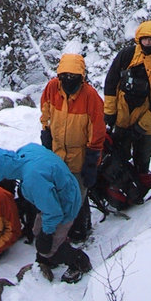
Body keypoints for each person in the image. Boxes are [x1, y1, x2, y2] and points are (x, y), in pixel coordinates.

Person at [0, 143, 92, 283]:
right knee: (37, 231)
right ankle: (48, 255)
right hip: (65, 191)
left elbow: (54, 213)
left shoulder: (32, 178)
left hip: (66, 205)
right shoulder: (26, 150)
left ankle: (79, 261)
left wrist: (47, 235)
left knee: (48, 247)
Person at [40, 53, 105, 241]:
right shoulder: (52, 88)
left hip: (79, 156)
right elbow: (45, 112)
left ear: (81, 77)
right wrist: (46, 134)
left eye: (73, 76)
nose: (69, 80)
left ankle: (81, 230)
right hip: (56, 152)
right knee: (58, 192)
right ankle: (59, 230)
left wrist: (92, 162)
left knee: (78, 195)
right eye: (65, 76)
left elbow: (97, 131)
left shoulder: (90, 97)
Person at [103, 20, 151, 185]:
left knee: (142, 159)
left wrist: (142, 126)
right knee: (117, 157)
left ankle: (141, 186)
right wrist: (109, 113)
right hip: (122, 118)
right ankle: (119, 188)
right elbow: (111, 82)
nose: (147, 44)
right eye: (144, 40)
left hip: (147, 125)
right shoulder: (127, 55)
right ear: (139, 39)